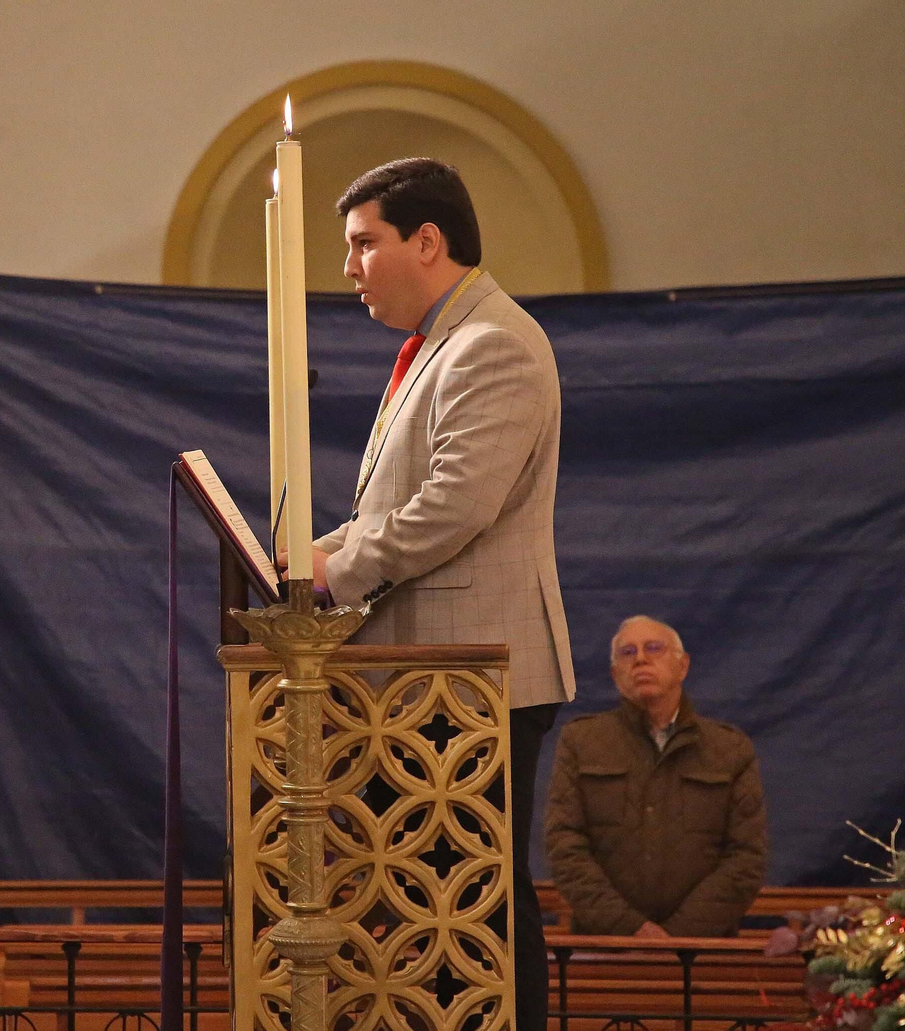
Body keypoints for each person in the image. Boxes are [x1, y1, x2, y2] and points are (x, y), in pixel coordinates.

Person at [302, 157, 576, 1031]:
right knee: (439, 898)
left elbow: (454, 508)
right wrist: (306, 554)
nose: (349, 266)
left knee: (477, 900)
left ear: (427, 241)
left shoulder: (491, 342)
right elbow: (390, 511)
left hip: (476, 674)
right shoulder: (440, 343)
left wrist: (333, 570)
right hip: (436, 677)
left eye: (363, 243)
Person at [545, 616, 766, 937]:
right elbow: (565, 846)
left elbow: (746, 857)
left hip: (703, 950)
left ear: (683, 666)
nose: (640, 659)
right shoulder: (581, 742)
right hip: (605, 946)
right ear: (615, 675)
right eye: (627, 652)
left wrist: (677, 937)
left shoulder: (730, 749)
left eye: (653, 648)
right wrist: (630, 928)